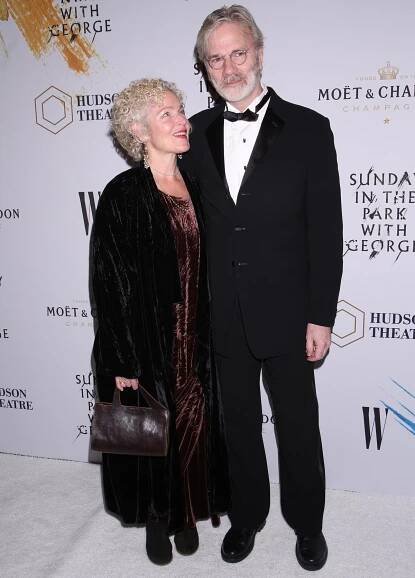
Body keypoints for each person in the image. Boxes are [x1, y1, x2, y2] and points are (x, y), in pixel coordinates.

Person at [181, 4, 343, 570]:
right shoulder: (193, 134)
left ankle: (308, 524)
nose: (228, 67)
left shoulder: (309, 128)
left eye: (237, 53)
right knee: (238, 427)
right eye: (215, 59)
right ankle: (246, 517)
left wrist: (321, 315)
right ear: (204, 67)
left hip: (291, 311)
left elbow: (326, 230)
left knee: (298, 426)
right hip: (221, 311)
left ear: (259, 52)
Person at [91, 78, 229, 566]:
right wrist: (121, 358)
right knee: (152, 432)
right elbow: (109, 284)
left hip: (200, 334)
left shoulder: (197, 183)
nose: (181, 121)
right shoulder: (123, 194)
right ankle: (156, 518)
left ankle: (187, 512)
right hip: (150, 339)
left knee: (194, 424)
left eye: (180, 110)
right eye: (166, 114)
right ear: (138, 130)